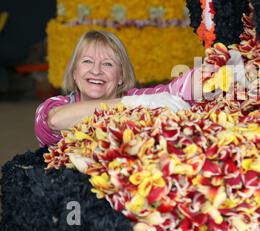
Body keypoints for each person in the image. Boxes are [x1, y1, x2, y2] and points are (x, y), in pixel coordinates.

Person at [35, 30, 195, 147]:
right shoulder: (55, 105)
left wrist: (211, 71)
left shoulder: (135, 96)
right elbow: (55, 121)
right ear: (74, 72)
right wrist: (132, 103)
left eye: (108, 64)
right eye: (87, 61)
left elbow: (176, 90)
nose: (96, 70)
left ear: (121, 76)